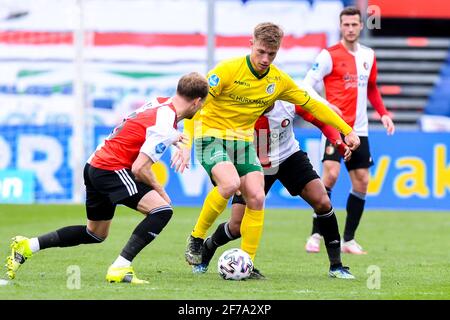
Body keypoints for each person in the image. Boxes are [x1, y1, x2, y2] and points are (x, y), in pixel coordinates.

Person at [173, 22, 360, 279]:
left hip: (245, 143)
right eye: (261, 52)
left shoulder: (279, 81)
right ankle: (196, 238)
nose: (265, 59)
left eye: (271, 54)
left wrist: (346, 130)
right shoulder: (226, 71)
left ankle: (247, 264)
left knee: (258, 198)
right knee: (228, 185)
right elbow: (194, 103)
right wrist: (184, 142)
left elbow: (314, 107)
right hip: (212, 137)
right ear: (251, 44)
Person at [4, 72, 209, 284]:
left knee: (95, 233)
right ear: (196, 101)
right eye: (202, 104)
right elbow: (140, 168)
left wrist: (175, 138)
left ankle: (28, 246)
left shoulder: (159, 103)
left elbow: (140, 129)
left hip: (95, 164)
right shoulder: (165, 125)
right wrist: (161, 191)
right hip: (111, 168)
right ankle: (120, 267)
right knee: (162, 210)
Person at [190, 99, 355, 279]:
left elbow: (320, 119)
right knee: (237, 226)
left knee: (323, 202)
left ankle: (336, 266)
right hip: (253, 163)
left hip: (289, 157)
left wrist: (338, 142)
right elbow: (225, 138)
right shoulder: (242, 107)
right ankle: (208, 247)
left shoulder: (288, 101)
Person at [303, 7, 395, 254]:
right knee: (330, 175)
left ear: (361, 26)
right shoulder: (328, 55)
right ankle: (315, 234)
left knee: (363, 181)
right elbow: (305, 85)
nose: (351, 29)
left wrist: (384, 114)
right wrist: (325, 104)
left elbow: (373, 88)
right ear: (340, 26)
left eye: (355, 24)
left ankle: (349, 240)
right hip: (335, 127)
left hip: (361, 130)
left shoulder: (369, 55)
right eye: (346, 25)